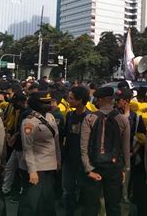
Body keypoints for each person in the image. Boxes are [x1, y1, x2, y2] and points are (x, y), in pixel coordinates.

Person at [80, 86, 130, 216]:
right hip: (114, 168)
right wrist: (124, 169)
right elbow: (125, 148)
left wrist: (88, 169)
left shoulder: (89, 118)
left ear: (100, 100)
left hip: (94, 166)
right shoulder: (122, 120)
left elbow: (84, 147)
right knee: (113, 206)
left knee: (90, 206)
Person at [17, 91, 61, 215]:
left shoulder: (50, 117)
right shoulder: (29, 122)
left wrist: (58, 159)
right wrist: (32, 171)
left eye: (49, 101)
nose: (48, 104)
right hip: (36, 167)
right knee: (30, 203)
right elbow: (27, 148)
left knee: (46, 201)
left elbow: (55, 140)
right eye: (44, 102)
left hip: (49, 165)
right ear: (36, 104)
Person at [62, 86, 90, 216]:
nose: (68, 100)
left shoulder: (90, 118)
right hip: (69, 159)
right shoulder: (69, 115)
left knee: (84, 191)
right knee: (68, 191)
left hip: (84, 161)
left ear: (79, 101)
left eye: (71, 98)